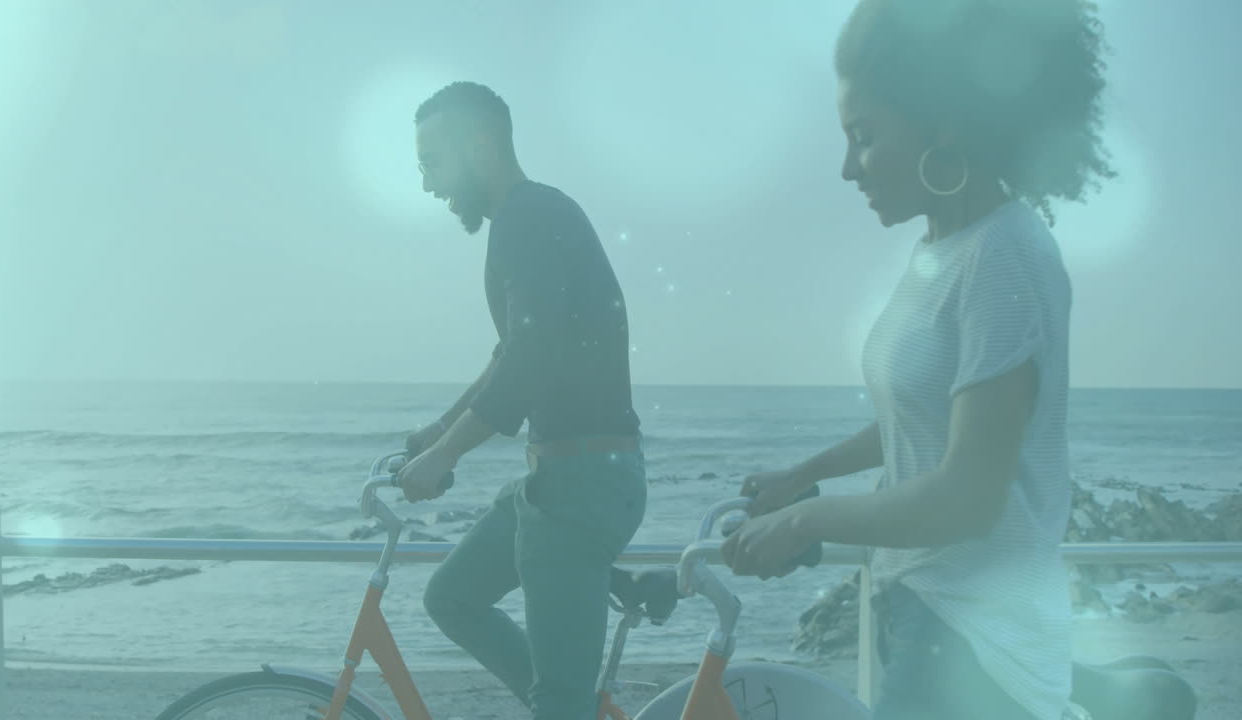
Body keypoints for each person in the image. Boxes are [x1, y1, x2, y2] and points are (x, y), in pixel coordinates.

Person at [720, 1, 1114, 718]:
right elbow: (926, 412)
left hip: (975, 650)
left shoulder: (1003, 256)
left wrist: (806, 523)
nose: (847, 168)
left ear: (944, 124)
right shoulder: (941, 253)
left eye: (864, 137)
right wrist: (805, 478)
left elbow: (967, 494)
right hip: (925, 615)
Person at [396, 81, 647, 720]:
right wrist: (439, 430)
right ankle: (569, 696)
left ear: (479, 147)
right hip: (562, 481)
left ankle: (565, 701)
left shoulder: (526, 220)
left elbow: (532, 357)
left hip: (580, 486)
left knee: (558, 707)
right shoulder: (532, 216)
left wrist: (444, 458)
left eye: (432, 163)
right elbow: (513, 351)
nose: (428, 184)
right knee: (452, 597)